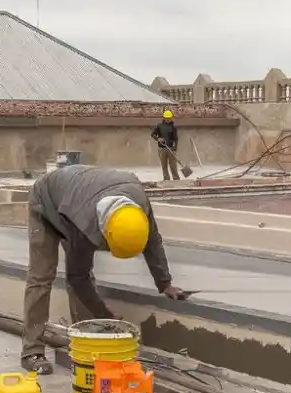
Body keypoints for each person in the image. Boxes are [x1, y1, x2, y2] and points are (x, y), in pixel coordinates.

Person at [22, 165, 187, 374]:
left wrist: (165, 283)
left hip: (75, 195)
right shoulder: (84, 222)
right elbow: (77, 277)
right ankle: (32, 351)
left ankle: (85, 341)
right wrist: (105, 316)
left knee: (82, 275)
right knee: (42, 276)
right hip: (47, 202)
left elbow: (152, 241)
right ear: (104, 233)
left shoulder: (138, 204)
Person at [152, 110, 181, 181]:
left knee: (173, 166)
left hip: (171, 148)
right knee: (164, 166)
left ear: (171, 118)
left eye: (169, 118)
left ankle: (176, 179)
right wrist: (158, 139)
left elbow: (176, 139)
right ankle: (166, 179)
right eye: (166, 118)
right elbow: (153, 134)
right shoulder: (159, 126)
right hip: (162, 149)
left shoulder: (173, 127)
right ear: (164, 118)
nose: (168, 119)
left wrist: (175, 148)